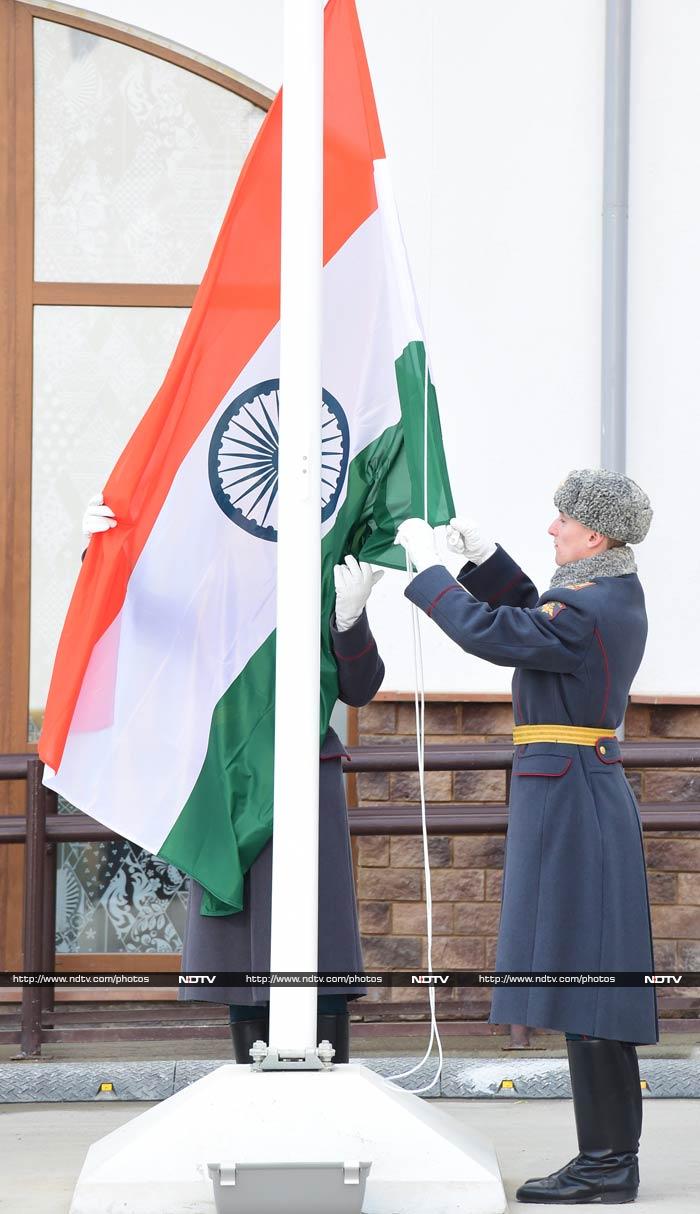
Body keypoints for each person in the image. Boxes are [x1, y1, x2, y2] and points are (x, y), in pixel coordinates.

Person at [395, 468, 656, 1206]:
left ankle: (608, 1163)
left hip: (575, 796)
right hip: (573, 790)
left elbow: (501, 632)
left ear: (594, 535)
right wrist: (486, 564)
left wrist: (435, 579)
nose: (554, 528)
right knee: (586, 978)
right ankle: (606, 1159)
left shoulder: (590, 604)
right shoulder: (598, 595)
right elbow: (538, 621)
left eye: (562, 520)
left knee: (592, 984)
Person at [82, 495, 385, 1063]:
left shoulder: (315, 580)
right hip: (226, 772)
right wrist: (103, 555)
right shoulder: (210, 590)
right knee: (245, 948)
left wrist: (349, 618)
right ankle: (254, 1078)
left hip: (304, 776)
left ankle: (329, 1077)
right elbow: (140, 624)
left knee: (318, 942)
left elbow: (360, 687)